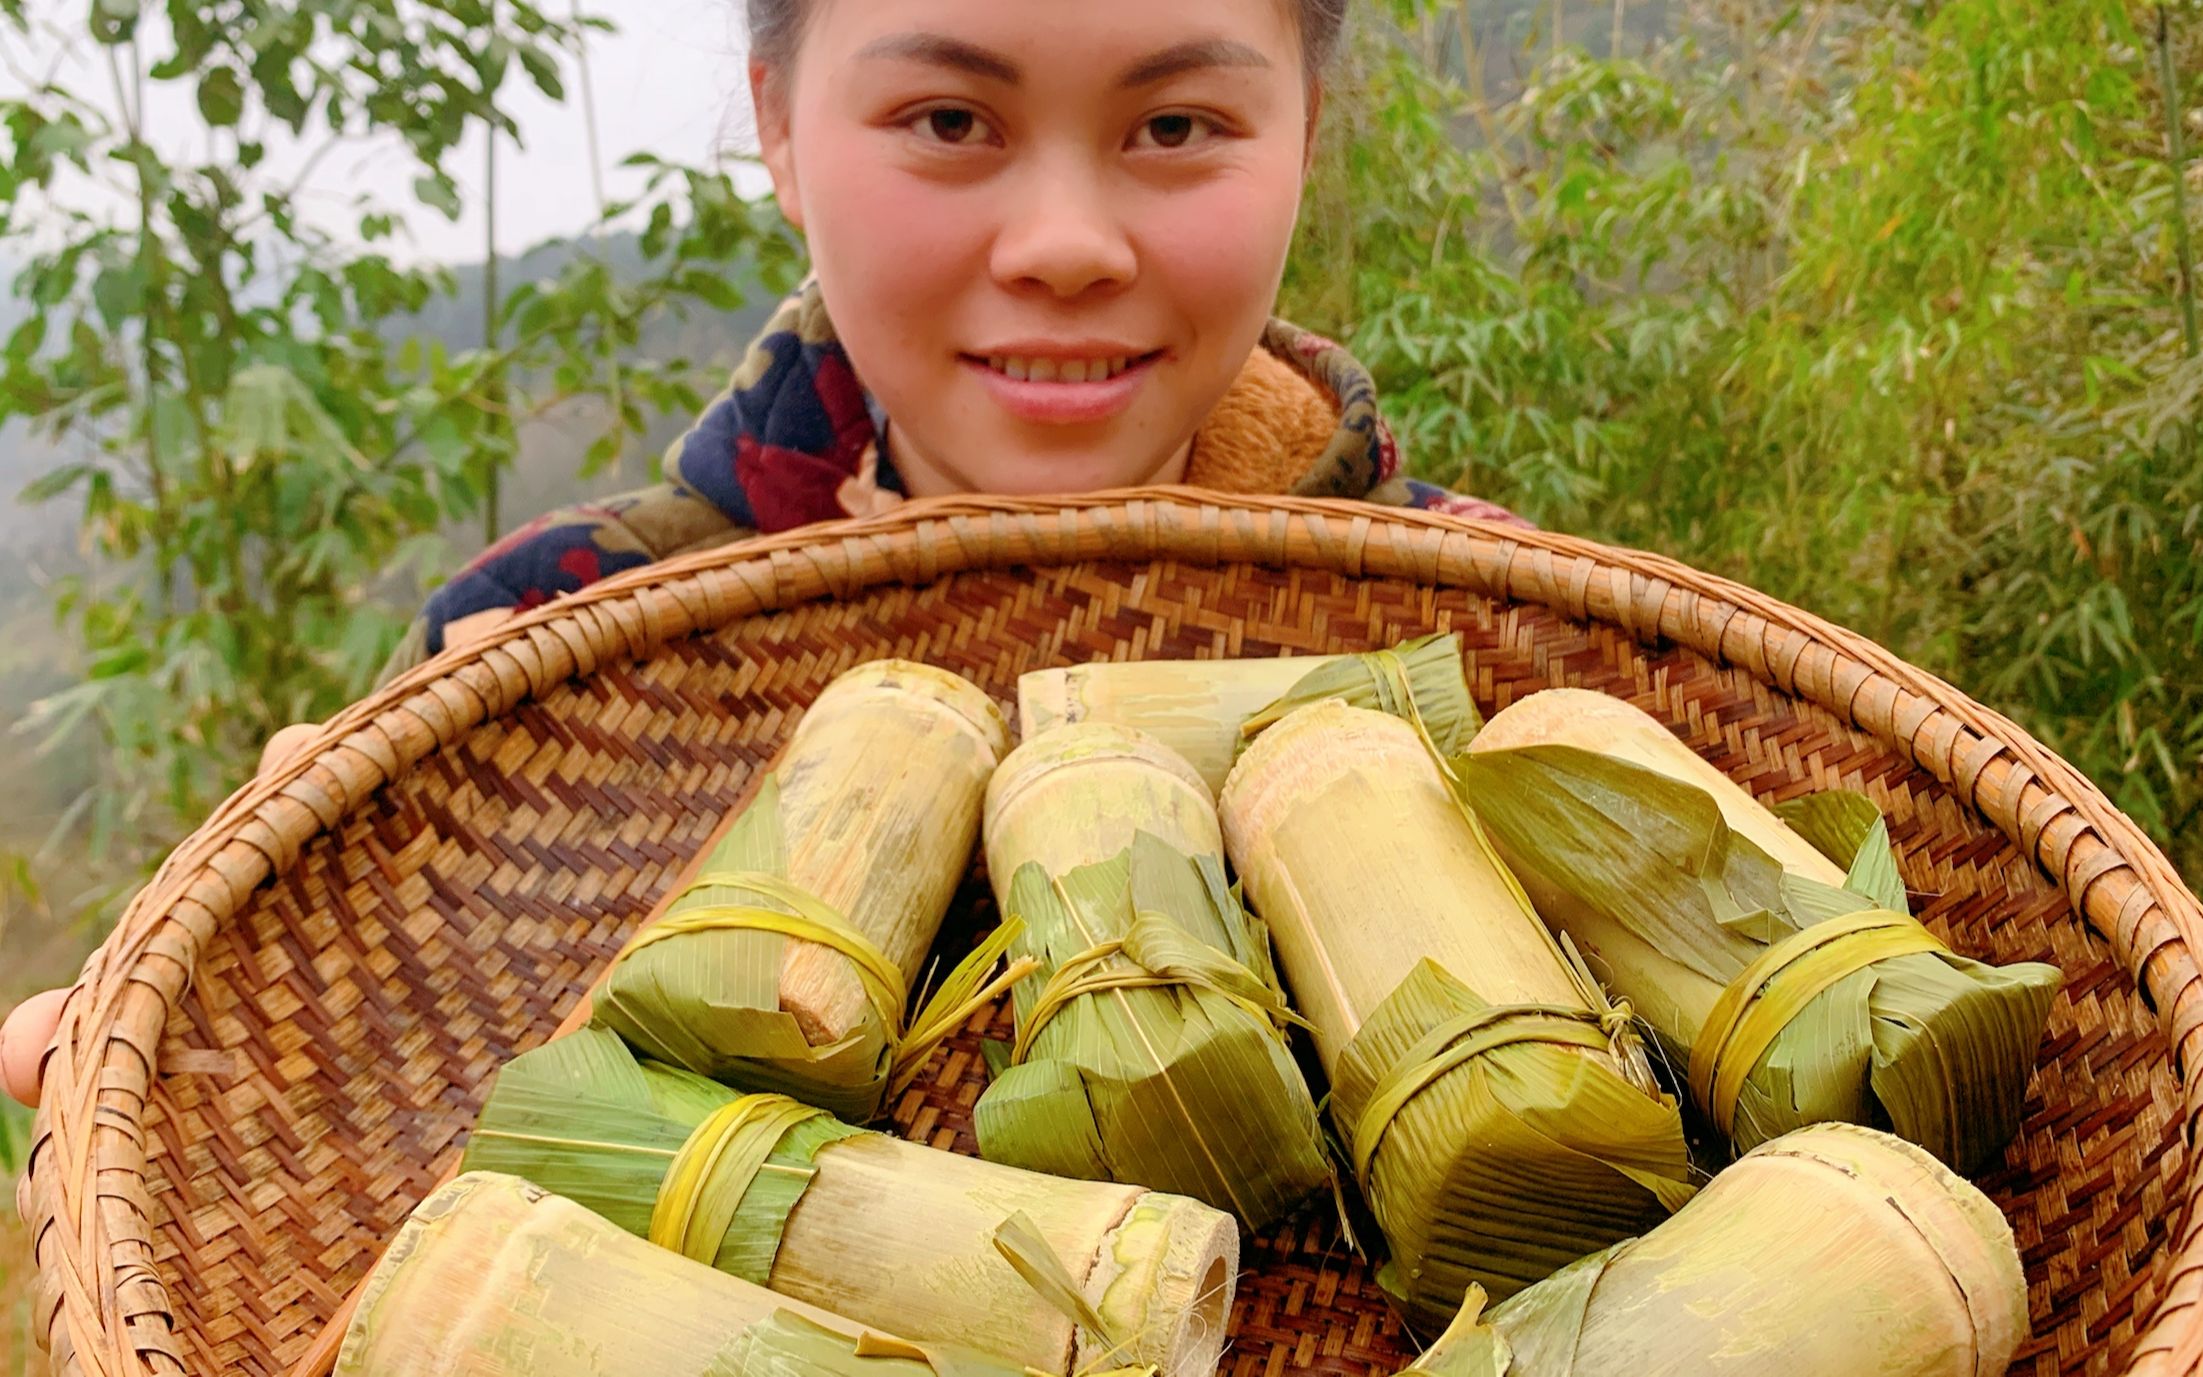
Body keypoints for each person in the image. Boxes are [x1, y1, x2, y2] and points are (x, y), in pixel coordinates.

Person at [0, 0, 1528, 1109]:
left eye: (1175, 127)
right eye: (949, 121)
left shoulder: (1511, 657)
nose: (1066, 242)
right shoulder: (531, 641)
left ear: (1304, 140)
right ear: (782, 134)